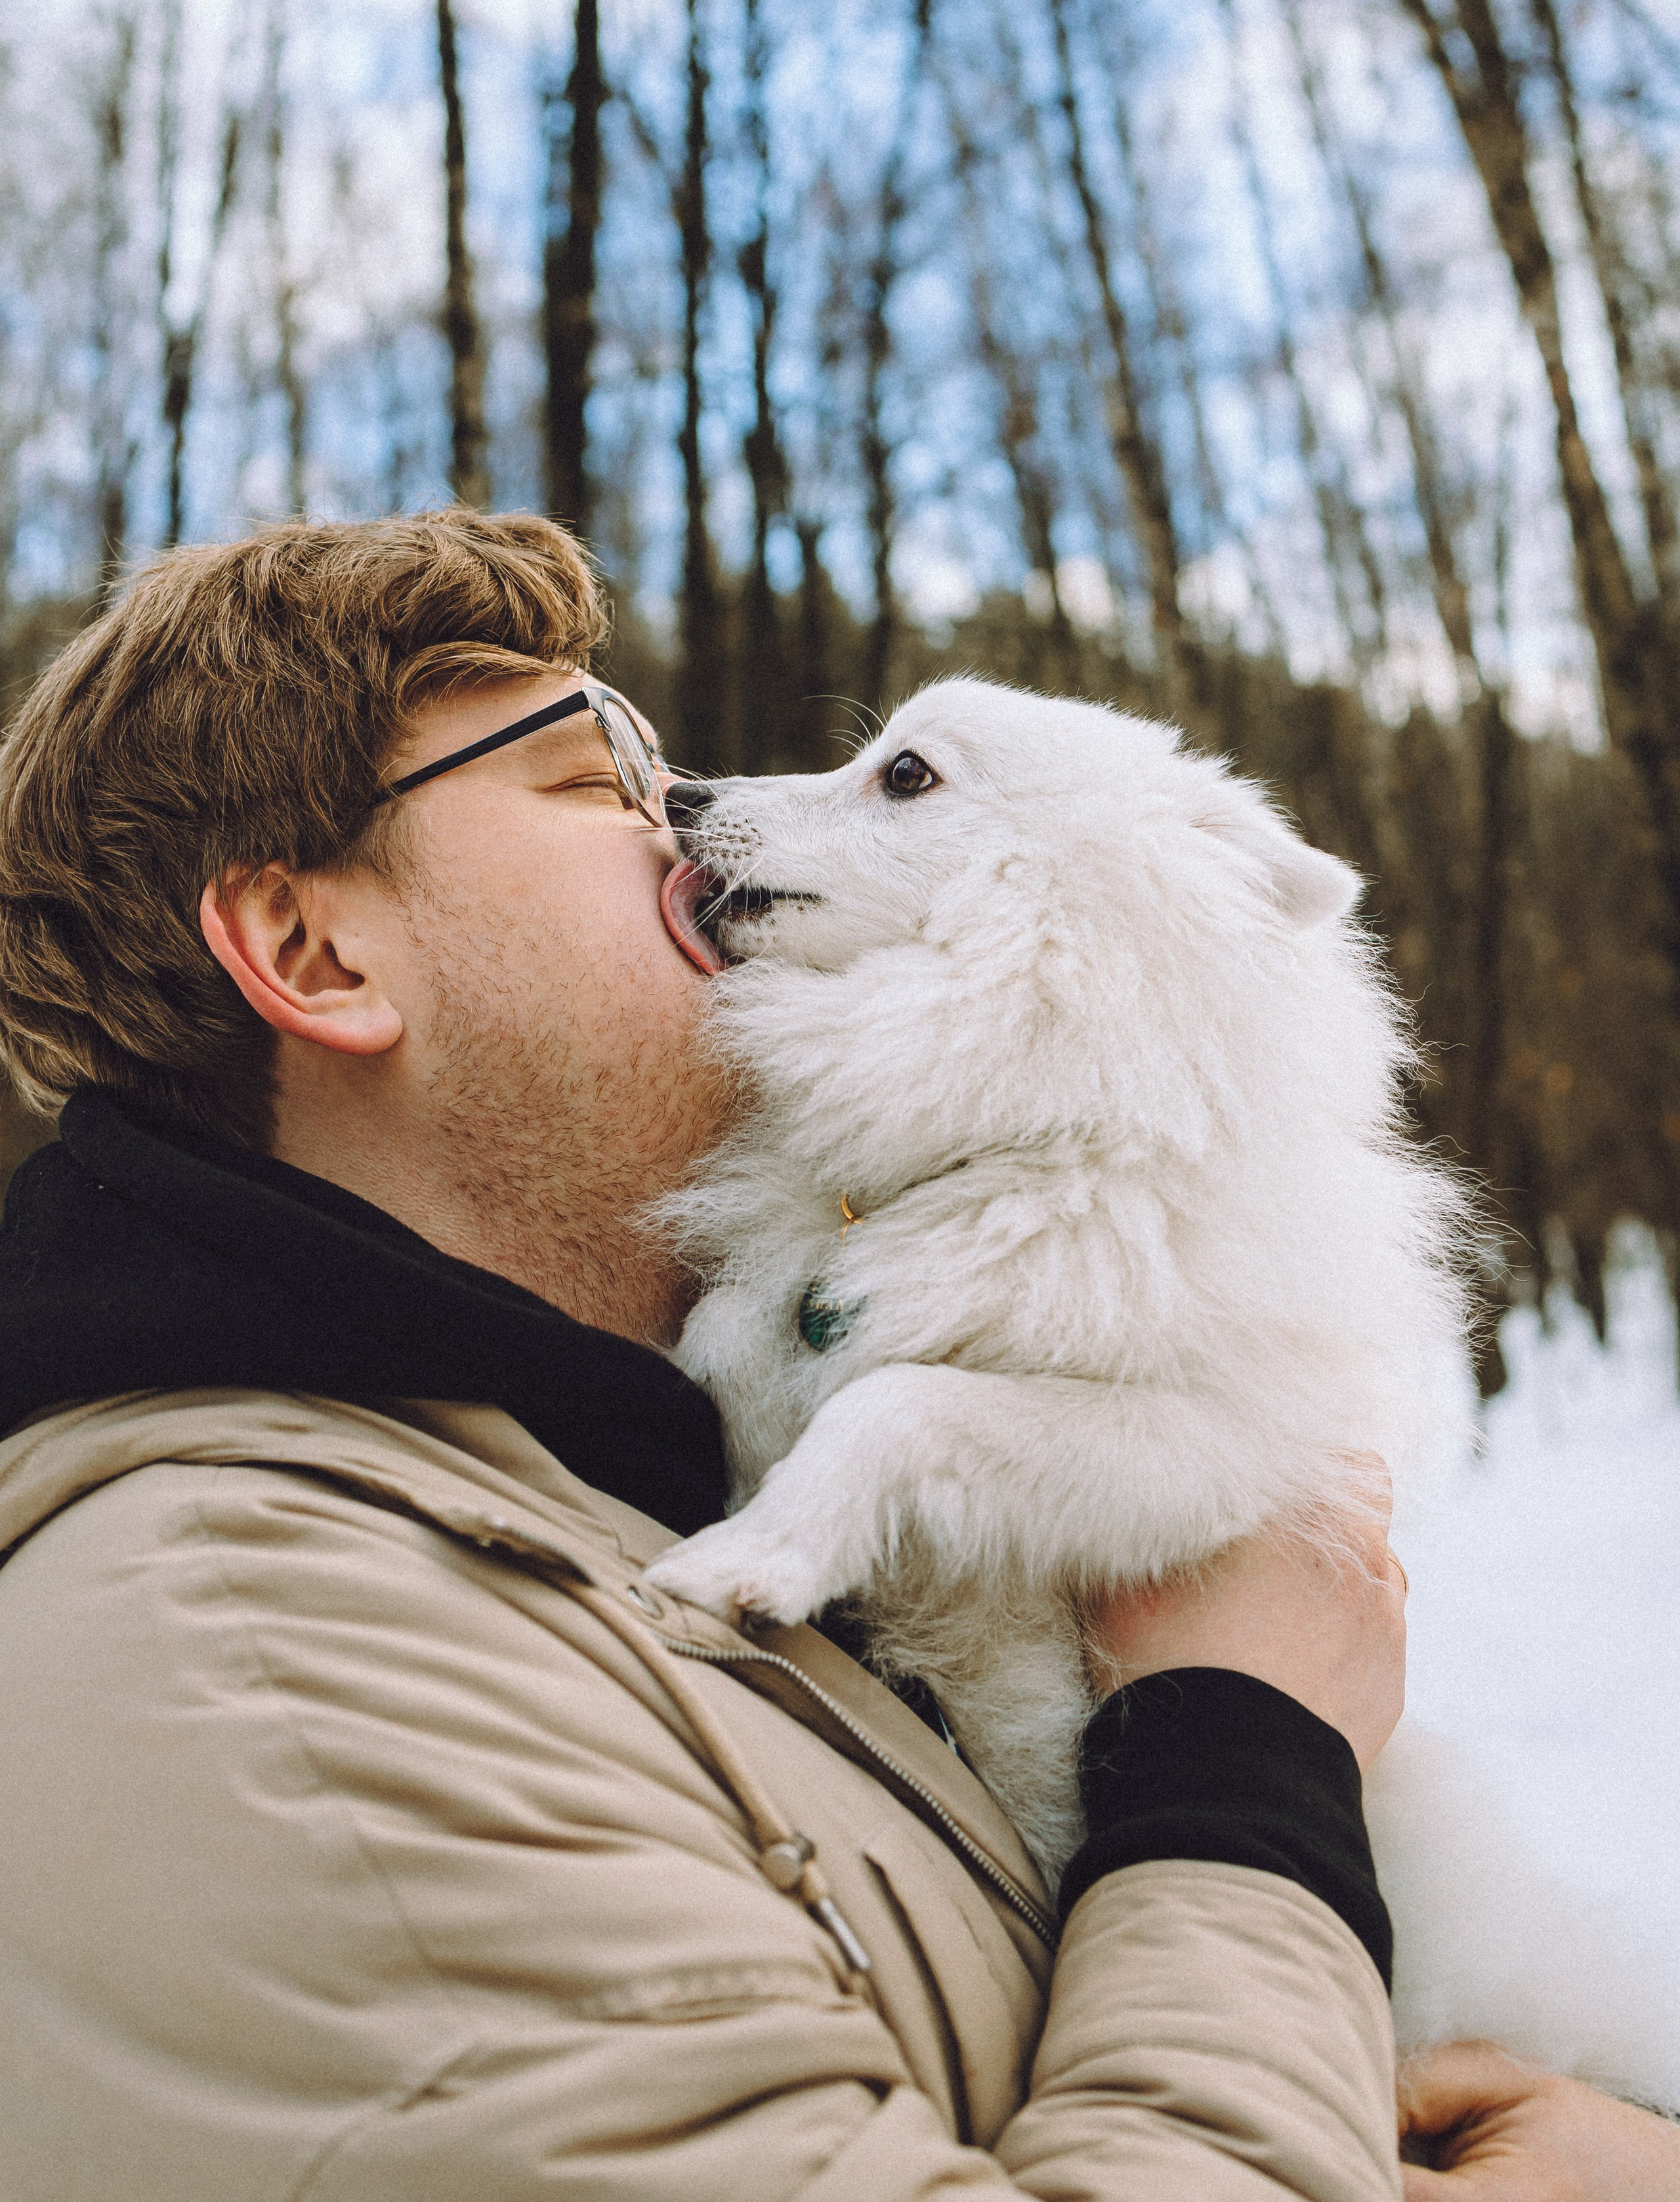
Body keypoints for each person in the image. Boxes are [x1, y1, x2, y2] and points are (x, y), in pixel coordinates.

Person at [0, 510, 1667, 2201]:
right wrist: (1241, 1775)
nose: (686, 823)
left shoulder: (585, 1486)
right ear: (314, 952)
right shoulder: (263, 1674)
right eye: (591, 784)